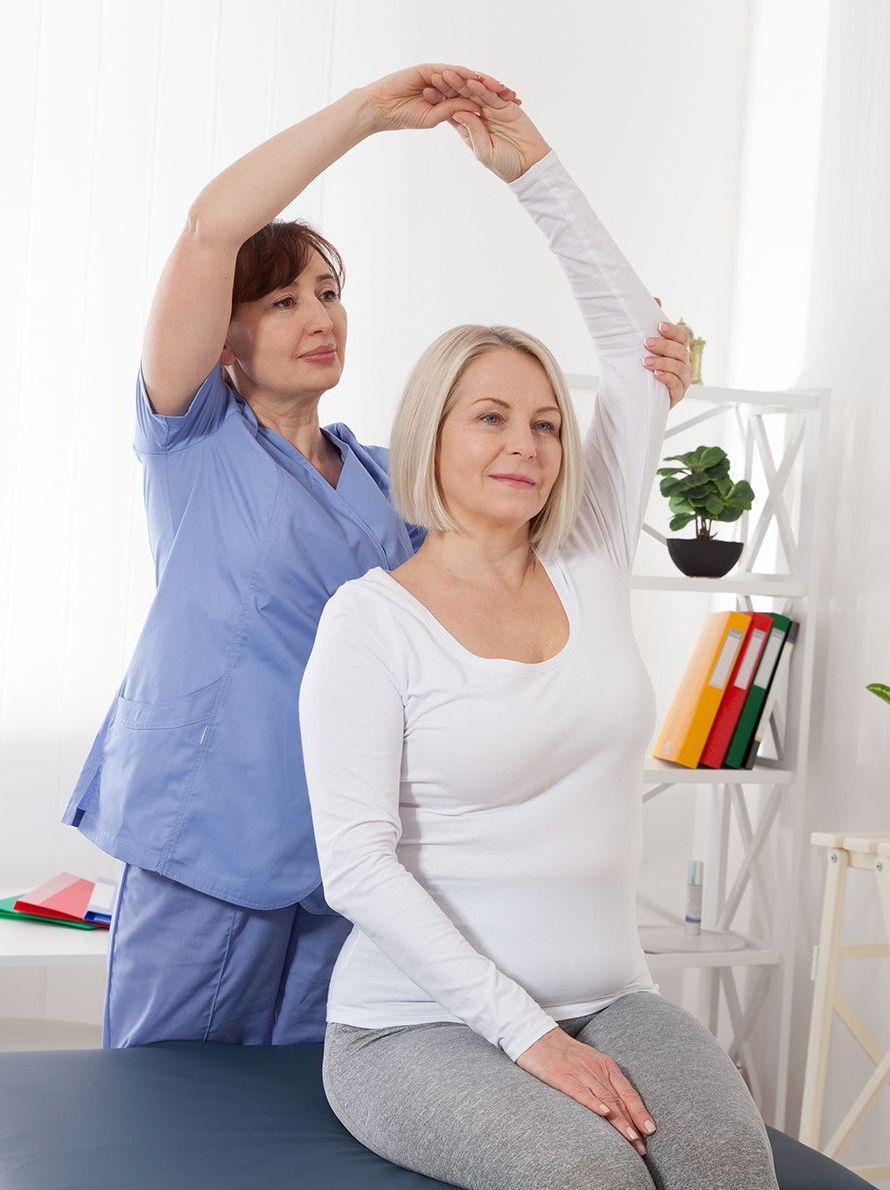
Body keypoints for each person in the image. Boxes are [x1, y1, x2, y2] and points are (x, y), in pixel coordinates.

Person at [63, 65, 688, 1051]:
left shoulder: (393, 477)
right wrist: (366, 116)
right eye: (278, 301)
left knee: (315, 1127)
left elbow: (518, 479)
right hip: (208, 844)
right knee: (163, 1113)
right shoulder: (192, 440)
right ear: (222, 331)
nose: (318, 317)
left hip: (353, 858)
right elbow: (208, 229)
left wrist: (652, 389)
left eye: (328, 293)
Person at [299, 74, 778, 1190]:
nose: (526, 443)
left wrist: (531, 168)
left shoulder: (588, 549)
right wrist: (528, 1035)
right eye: (491, 416)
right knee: (588, 1178)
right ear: (433, 430)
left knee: (727, 1168)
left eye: (548, 423)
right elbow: (357, 869)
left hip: (614, 995)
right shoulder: (370, 624)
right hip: (412, 1023)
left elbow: (632, 338)